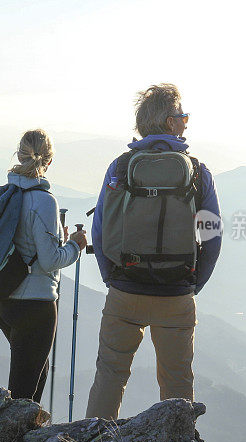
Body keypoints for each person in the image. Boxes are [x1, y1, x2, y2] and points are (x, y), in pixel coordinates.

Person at [86, 84, 221, 420]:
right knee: (177, 387)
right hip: (176, 294)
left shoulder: (120, 166)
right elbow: (212, 236)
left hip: (124, 291)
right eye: (183, 116)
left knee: (110, 376)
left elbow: (100, 229)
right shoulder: (197, 171)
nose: (186, 123)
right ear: (169, 122)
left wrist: (111, 277)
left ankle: (91, 441)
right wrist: (192, 283)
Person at [0, 129, 88, 403]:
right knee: (23, 393)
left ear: (19, 156)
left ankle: (24, 436)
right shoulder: (43, 200)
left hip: (2, 302)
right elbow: (50, 261)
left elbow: (26, 243)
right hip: (34, 305)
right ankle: (12, 440)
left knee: (35, 373)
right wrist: (75, 246)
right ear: (49, 161)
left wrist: (60, 241)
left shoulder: (6, 194)